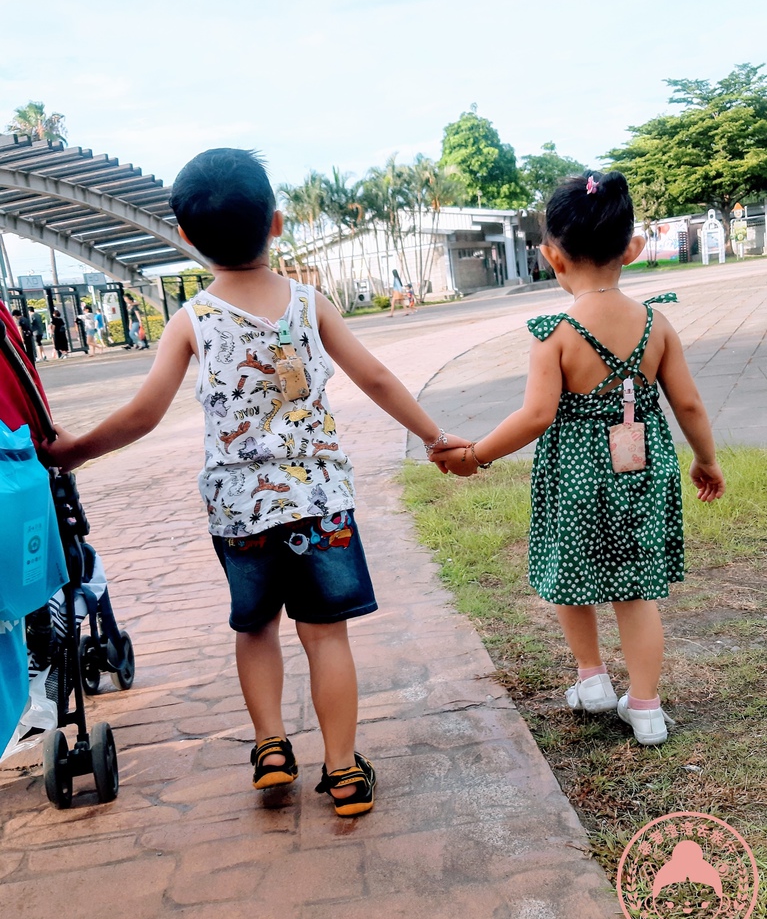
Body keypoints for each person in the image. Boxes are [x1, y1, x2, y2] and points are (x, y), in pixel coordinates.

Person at [45, 148, 465, 815]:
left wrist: (76, 450)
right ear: (275, 224)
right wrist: (436, 438)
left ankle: (271, 748)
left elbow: (144, 413)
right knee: (325, 633)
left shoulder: (192, 321)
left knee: (256, 629)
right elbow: (377, 378)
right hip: (320, 502)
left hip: (240, 509)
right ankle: (343, 770)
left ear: (184, 238)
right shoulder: (310, 303)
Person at [432, 171, 725, 746]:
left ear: (551, 258)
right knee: (636, 591)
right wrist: (706, 460)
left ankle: (591, 679)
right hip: (642, 472)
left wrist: (477, 454)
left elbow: (535, 415)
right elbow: (687, 401)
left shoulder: (555, 333)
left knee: (573, 575)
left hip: (574, 479)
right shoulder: (656, 323)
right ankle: (644, 708)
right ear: (634, 250)